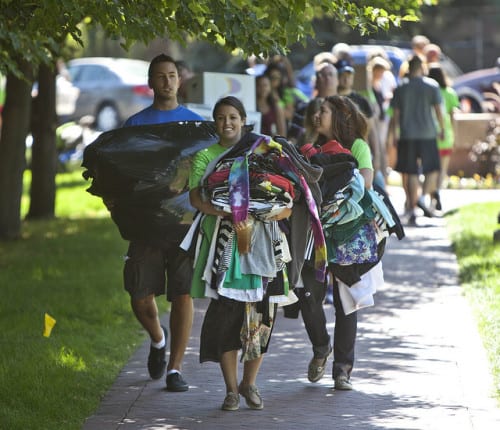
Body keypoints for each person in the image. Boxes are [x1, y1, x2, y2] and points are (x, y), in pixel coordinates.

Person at [187, 96, 325, 411]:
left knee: (262, 316)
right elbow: (197, 197)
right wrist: (227, 213)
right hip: (225, 245)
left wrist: (276, 210)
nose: (227, 123)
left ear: (243, 119)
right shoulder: (205, 157)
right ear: (215, 122)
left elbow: (290, 197)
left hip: (265, 244)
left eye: (233, 117)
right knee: (226, 316)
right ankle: (231, 389)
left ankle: (250, 384)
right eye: (221, 118)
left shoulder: (264, 149)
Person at [120, 54, 204, 392]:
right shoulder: (135, 125)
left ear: (179, 81)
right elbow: (122, 173)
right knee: (139, 293)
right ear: (151, 82)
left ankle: (175, 369)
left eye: (172, 75)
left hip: (184, 220)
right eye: (160, 76)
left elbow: (202, 172)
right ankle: (158, 338)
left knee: (183, 293)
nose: (167, 81)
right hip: (146, 222)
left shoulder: (195, 125)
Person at [298, 95, 385, 391]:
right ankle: (321, 347)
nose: (316, 115)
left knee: (347, 304)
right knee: (308, 296)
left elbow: (365, 183)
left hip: (348, 234)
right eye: (316, 109)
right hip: (313, 236)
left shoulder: (357, 146)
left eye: (322, 110)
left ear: (338, 116)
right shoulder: (308, 148)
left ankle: (343, 370)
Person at [389, 55, 445, 225]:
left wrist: (394, 134)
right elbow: (438, 111)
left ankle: (413, 209)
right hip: (428, 134)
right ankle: (421, 197)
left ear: (408, 68)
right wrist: (441, 129)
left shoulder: (401, 88)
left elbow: (395, 115)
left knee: (411, 171)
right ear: (422, 67)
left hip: (407, 135)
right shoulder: (432, 86)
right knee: (432, 169)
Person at [427, 64, 460, 209]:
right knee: (442, 168)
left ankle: (430, 195)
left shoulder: (428, 92)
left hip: (430, 134)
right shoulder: (450, 93)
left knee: (430, 168)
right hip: (446, 134)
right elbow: (454, 116)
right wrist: (455, 135)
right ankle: (437, 192)